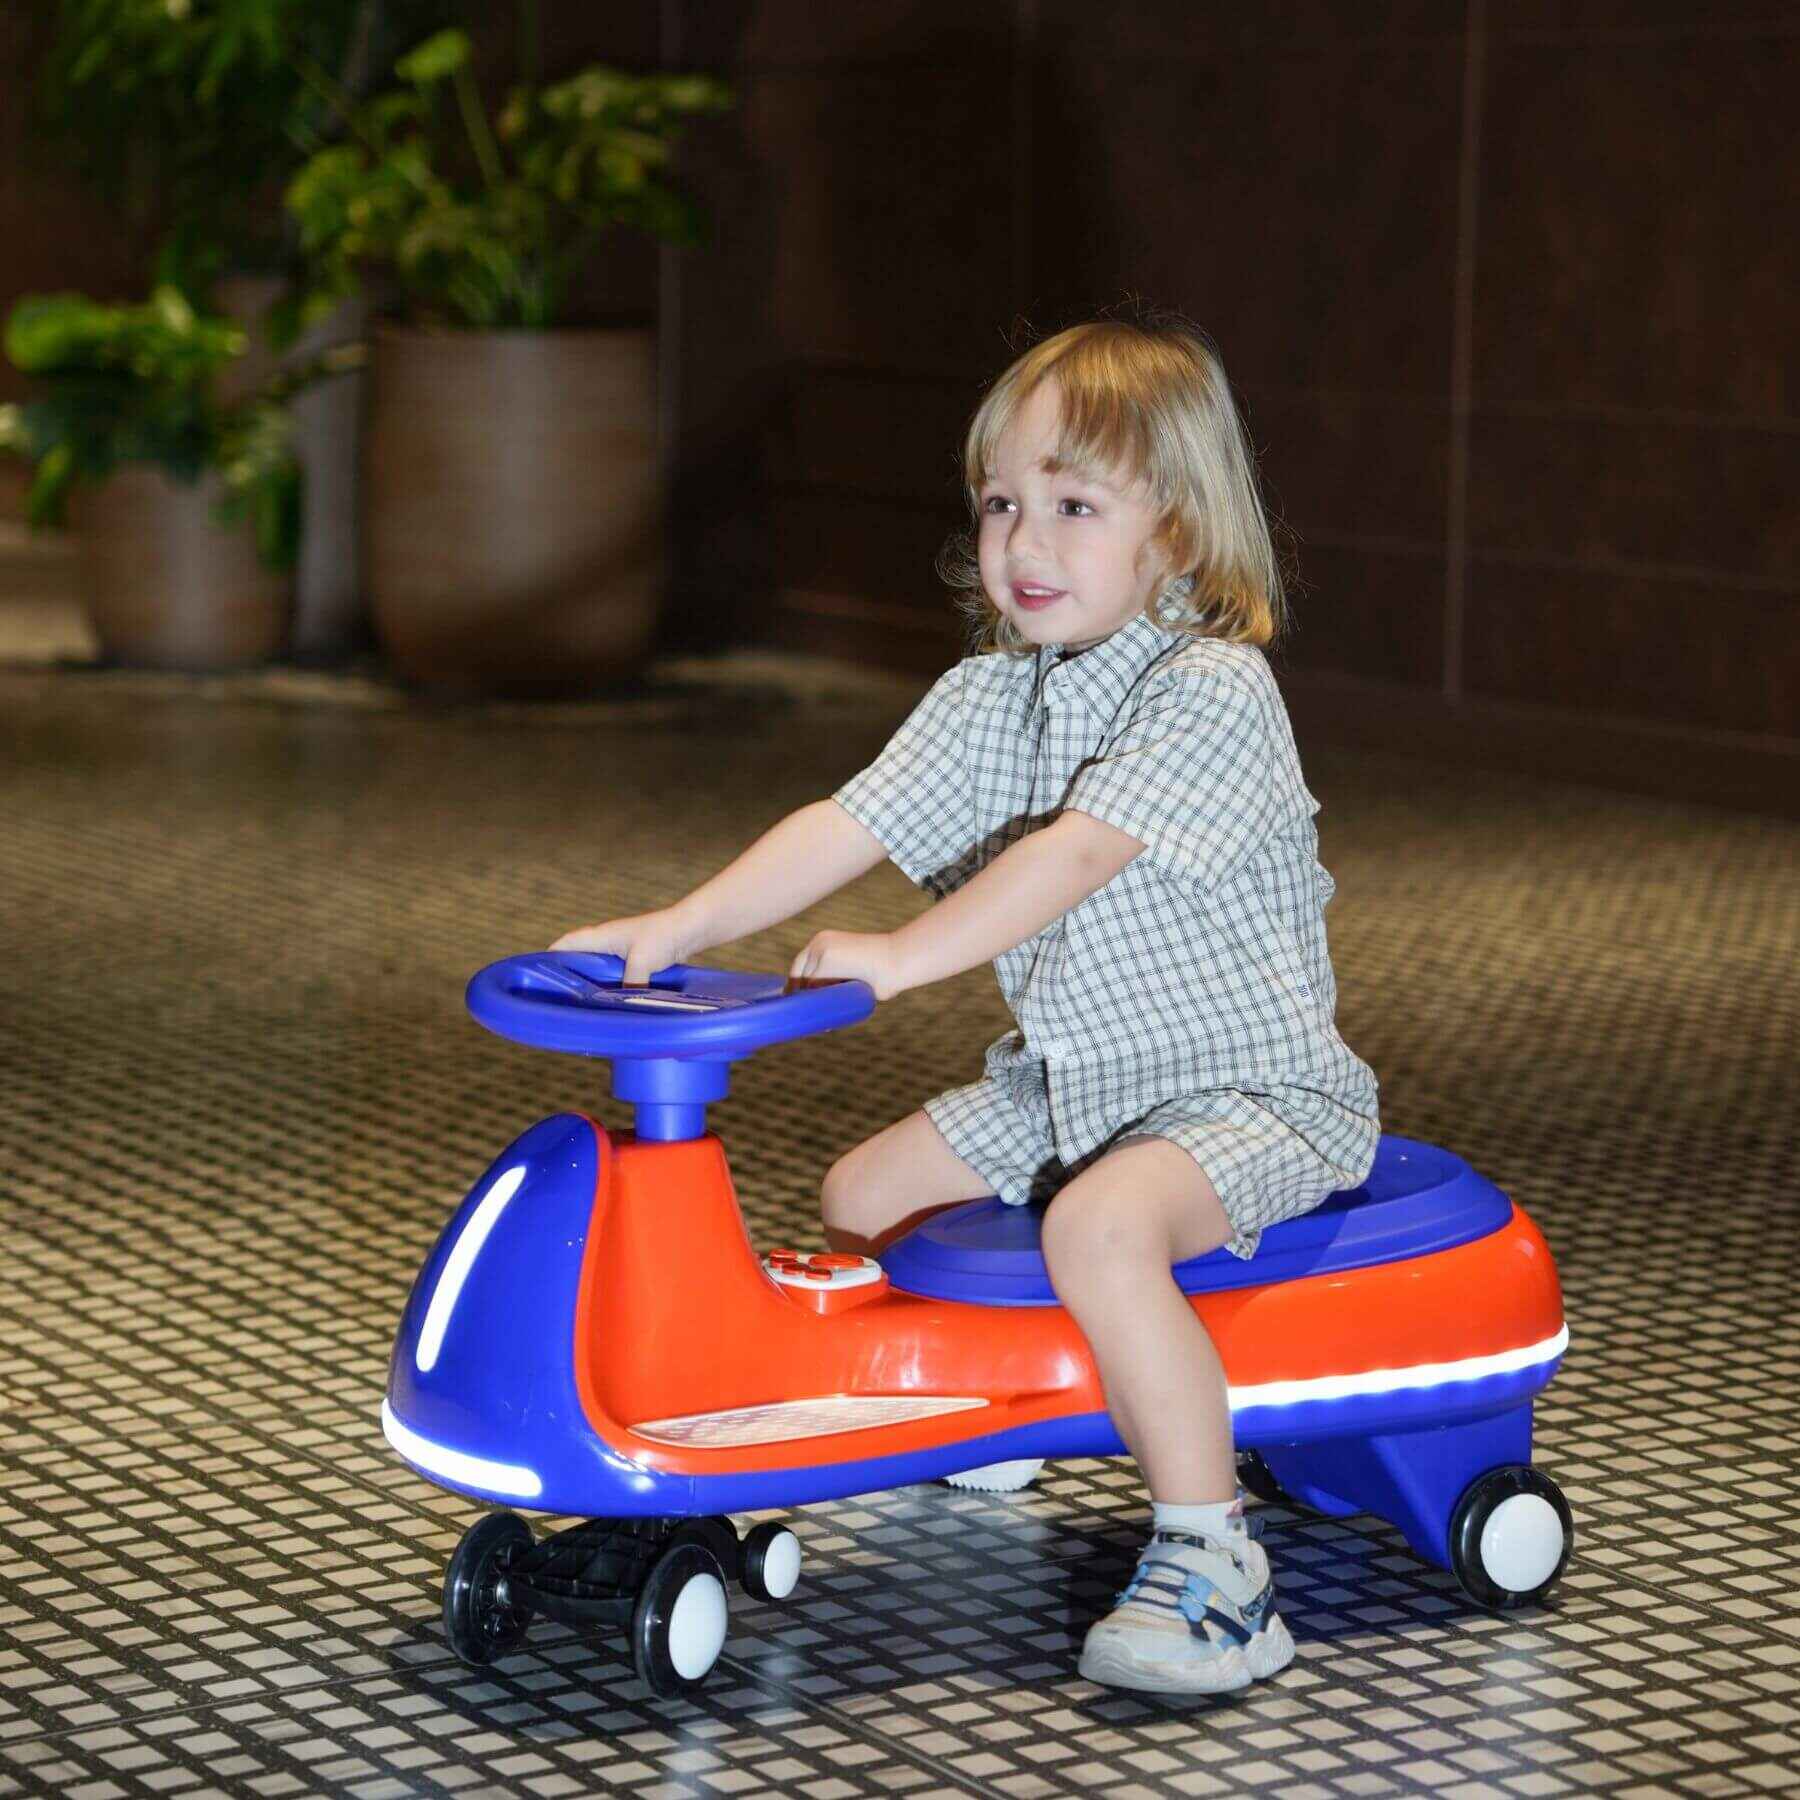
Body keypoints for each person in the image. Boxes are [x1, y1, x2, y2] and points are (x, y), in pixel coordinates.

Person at [554, 313, 1379, 1696]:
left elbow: (1072, 858)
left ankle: (1212, 1556)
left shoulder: (1213, 692)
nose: (1023, 543)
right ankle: (989, 1428)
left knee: (1103, 1227)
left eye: (1073, 505)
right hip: (1068, 1087)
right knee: (867, 1193)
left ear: (1175, 533)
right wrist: (680, 922)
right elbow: (849, 818)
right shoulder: (1002, 695)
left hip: (1250, 1092)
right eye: (1002, 503)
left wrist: (901, 955)